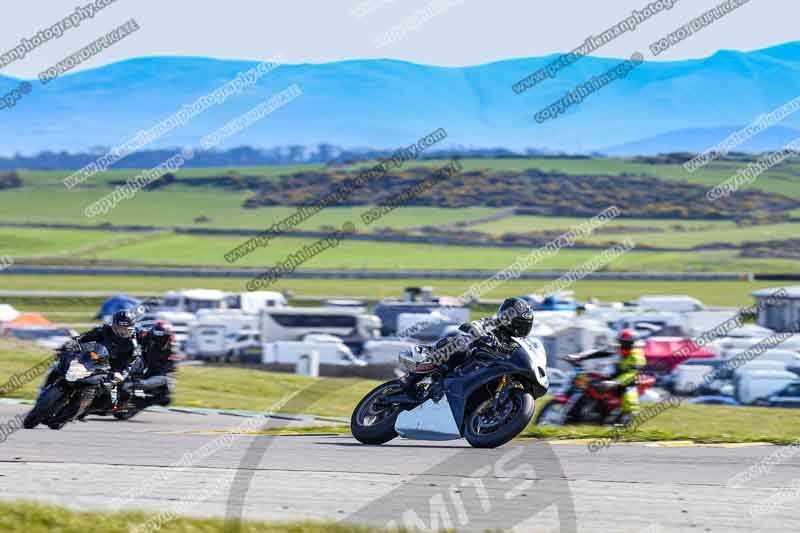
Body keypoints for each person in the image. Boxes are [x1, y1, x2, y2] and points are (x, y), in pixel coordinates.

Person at [402, 297, 535, 391]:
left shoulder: (519, 343)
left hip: (488, 371)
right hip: (468, 360)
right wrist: (477, 332)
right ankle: (412, 378)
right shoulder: (493, 324)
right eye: (519, 323)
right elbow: (476, 324)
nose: (521, 328)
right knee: (459, 345)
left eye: (524, 325)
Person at [566, 328, 647, 425]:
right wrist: (580, 356)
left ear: (633, 344)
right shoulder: (617, 347)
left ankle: (624, 421)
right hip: (613, 376)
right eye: (622, 342)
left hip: (628, 382)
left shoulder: (637, 356)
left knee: (630, 400)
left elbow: (632, 374)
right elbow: (599, 352)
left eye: (627, 343)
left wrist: (615, 382)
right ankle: (574, 416)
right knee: (589, 384)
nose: (623, 346)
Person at [123, 320, 177, 406]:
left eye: (162, 337)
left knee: (165, 397)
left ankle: (141, 397)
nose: (158, 340)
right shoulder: (147, 335)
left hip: (160, 373)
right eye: (156, 336)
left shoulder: (172, 350)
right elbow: (134, 333)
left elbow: (168, 373)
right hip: (145, 364)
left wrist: (144, 383)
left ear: (168, 337)